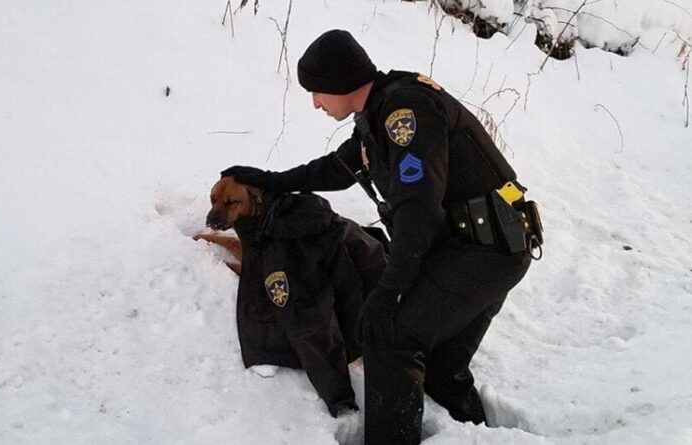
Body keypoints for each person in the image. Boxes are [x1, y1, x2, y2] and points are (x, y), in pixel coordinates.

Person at [222, 30, 538, 444]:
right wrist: (269, 181)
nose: (316, 102)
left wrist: (390, 291)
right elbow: (339, 168)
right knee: (439, 363)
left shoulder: (405, 113)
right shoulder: (382, 111)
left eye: (317, 92)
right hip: (484, 245)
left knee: (389, 333)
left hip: (485, 249)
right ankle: (471, 433)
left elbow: (418, 210)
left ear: (338, 82)